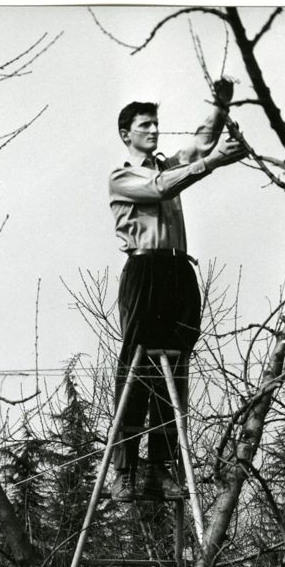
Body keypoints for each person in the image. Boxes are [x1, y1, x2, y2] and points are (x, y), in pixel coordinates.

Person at [106, 79, 247, 502]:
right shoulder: (122, 176)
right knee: (137, 364)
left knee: (177, 365)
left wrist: (219, 109)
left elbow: (199, 146)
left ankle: (160, 467)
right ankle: (125, 468)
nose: (153, 131)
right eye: (145, 125)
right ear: (126, 132)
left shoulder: (168, 164)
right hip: (145, 270)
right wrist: (212, 164)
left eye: (156, 124)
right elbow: (161, 188)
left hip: (177, 270)